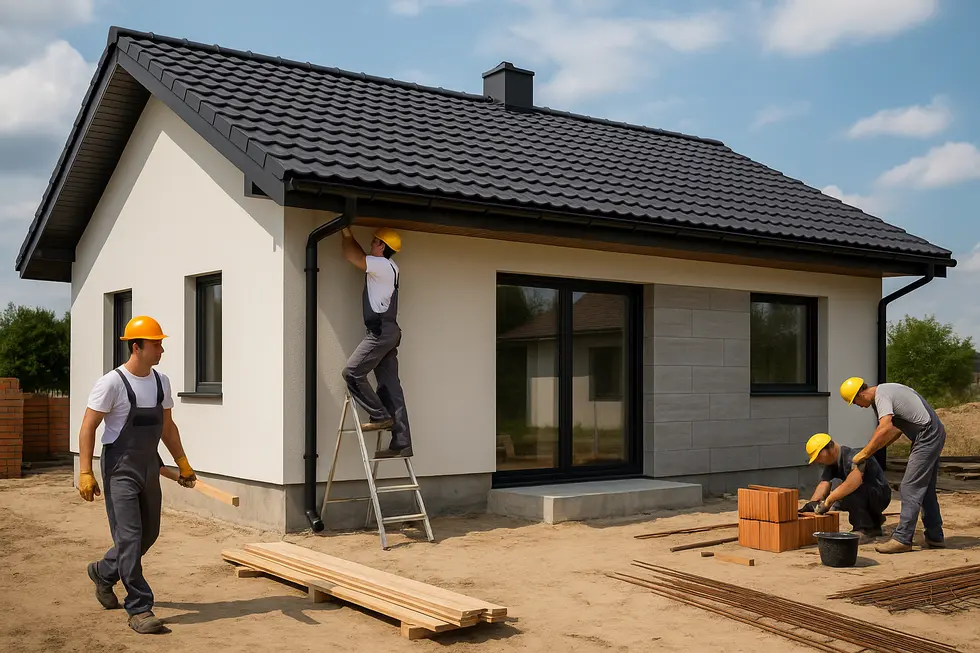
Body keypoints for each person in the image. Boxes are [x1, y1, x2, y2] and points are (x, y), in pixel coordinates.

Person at [77, 315, 197, 633]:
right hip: (120, 470)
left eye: (160, 343)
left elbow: (167, 427)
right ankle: (140, 608)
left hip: (149, 466)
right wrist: (85, 471)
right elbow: (88, 426)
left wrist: (182, 462)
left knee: (149, 534)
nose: (161, 349)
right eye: (156, 344)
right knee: (129, 538)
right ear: (136, 346)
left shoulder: (161, 382)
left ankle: (103, 572)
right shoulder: (112, 383)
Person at [839, 376, 946, 554]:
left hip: (927, 436)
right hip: (931, 433)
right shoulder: (885, 393)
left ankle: (902, 539)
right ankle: (935, 536)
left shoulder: (882, 396)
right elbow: (895, 431)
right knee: (925, 489)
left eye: (855, 401)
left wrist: (864, 453)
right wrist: (870, 452)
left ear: (860, 394)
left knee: (910, 487)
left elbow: (885, 428)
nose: (857, 405)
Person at [340, 226, 412, 458]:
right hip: (389, 331)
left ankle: (380, 416)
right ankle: (402, 442)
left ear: (381, 246)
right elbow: (362, 255)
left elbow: (354, 256)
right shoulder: (390, 267)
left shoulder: (380, 265)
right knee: (390, 386)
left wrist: (346, 234)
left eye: (374, 242)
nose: (371, 244)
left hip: (380, 332)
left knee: (351, 372)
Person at [801, 433, 891, 544]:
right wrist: (813, 504)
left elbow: (853, 482)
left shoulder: (854, 457)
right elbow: (824, 484)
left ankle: (865, 530)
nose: (817, 461)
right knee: (840, 499)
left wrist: (828, 501)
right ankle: (875, 521)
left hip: (880, 495)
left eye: (818, 456)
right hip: (868, 495)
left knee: (847, 492)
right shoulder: (832, 463)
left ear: (829, 449)